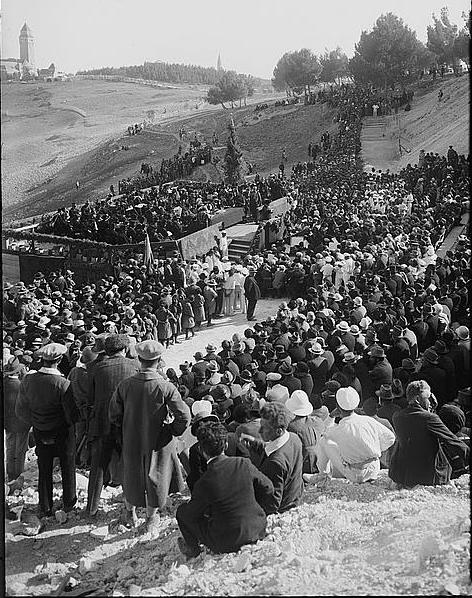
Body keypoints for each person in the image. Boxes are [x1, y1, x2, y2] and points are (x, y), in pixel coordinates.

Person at [109, 340, 191, 532]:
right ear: (159, 360)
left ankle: (129, 512)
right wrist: (172, 430)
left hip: (131, 437)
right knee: (156, 475)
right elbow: (184, 415)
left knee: (131, 472)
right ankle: (151, 517)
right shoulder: (165, 386)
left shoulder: (125, 385)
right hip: (158, 439)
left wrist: (126, 427)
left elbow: (113, 414)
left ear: (139, 359)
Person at [176, 422, 274, 558]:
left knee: (182, 511)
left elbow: (191, 514)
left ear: (203, 451)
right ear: (226, 445)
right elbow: (268, 487)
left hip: (226, 542)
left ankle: (193, 550)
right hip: (257, 529)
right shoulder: (243, 463)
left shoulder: (204, 482)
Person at [16, 343, 80, 518]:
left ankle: (45, 506)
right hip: (62, 433)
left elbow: (20, 409)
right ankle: (68, 503)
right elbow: (72, 415)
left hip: (40, 431)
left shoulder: (28, 381)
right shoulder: (63, 384)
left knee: (44, 468)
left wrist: (36, 422)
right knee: (68, 466)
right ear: (59, 360)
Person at [86, 334, 138, 517]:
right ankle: (130, 505)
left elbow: (89, 396)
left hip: (101, 421)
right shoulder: (134, 366)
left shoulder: (95, 368)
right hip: (126, 421)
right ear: (124, 349)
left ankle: (92, 507)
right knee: (130, 461)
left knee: (98, 464)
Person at [389, 381, 469, 488]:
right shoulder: (430, 418)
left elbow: (418, 430)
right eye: (428, 398)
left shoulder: (397, 416)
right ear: (417, 399)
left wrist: (429, 410)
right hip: (426, 475)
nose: (430, 401)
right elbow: (451, 441)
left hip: (402, 474)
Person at [307, 387, 395, 484]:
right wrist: (375, 449)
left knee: (324, 441)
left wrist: (331, 416)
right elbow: (391, 438)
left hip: (356, 474)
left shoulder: (339, 429)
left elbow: (323, 433)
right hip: (374, 468)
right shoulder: (368, 420)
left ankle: (322, 476)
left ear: (338, 407)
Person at [243, 402, 304, 514]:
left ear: (279, 430)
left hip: (283, 511)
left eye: (264, 427)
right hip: (294, 498)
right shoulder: (294, 439)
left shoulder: (275, 463)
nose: (260, 431)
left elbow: (272, 504)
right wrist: (255, 444)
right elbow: (274, 448)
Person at [4, 356, 31, 482]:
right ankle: (18, 475)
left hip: (8, 423)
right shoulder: (22, 386)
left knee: (9, 448)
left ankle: (10, 474)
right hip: (21, 423)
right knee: (20, 451)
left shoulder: (5, 384)